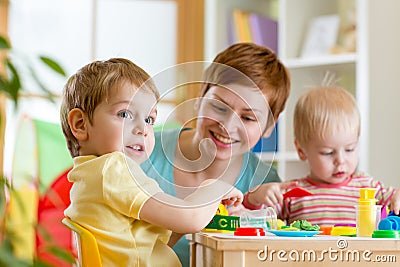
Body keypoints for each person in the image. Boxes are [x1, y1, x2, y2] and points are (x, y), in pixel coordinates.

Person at [60, 58, 243, 266]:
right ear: (80, 124)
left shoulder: (89, 175)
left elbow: (150, 245)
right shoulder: (114, 168)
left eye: (149, 119)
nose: (143, 129)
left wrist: (203, 207)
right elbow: (190, 218)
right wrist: (214, 187)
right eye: (125, 114)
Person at [141, 43, 293, 266]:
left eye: (248, 118)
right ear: (200, 96)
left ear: (269, 126)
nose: (228, 126)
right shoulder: (143, 150)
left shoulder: (265, 186)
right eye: (220, 107)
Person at [273, 85, 400, 226]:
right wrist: (257, 200)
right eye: (328, 152)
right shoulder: (293, 193)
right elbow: (260, 217)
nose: (340, 161)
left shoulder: (368, 188)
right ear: (301, 151)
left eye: (350, 149)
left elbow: (395, 199)